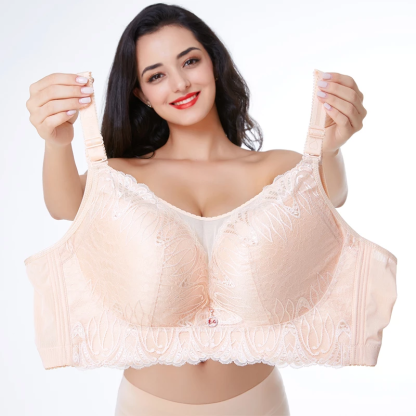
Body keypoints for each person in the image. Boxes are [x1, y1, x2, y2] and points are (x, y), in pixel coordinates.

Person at [25, 3, 367, 415]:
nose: (180, 83)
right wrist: (56, 143)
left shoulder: (281, 168)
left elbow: (332, 195)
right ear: (141, 94)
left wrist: (330, 148)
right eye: (156, 75)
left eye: (190, 61)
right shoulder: (118, 176)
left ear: (214, 63)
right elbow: (64, 206)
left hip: (258, 404)